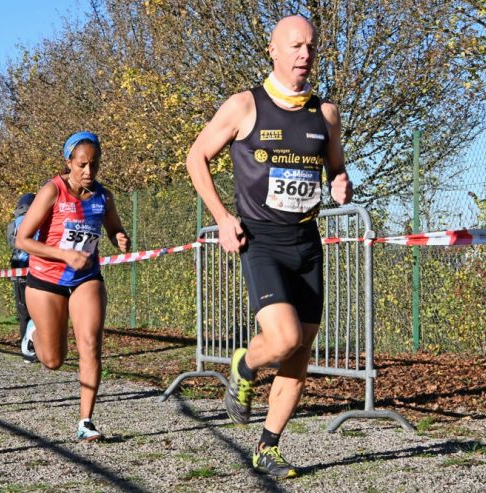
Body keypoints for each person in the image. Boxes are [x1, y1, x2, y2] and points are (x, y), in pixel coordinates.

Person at [186, 15, 353, 479]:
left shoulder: (326, 114)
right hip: (260, 240)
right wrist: (221, 218)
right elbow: (195, 156)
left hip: (306, 243)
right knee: (283, 339)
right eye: (296, 46)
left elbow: (337, 170)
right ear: (273, 50)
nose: (305, 55)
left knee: (299, 355)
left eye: (311, 47)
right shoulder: (244, 106)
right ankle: (244, 362)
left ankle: (268, 447)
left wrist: (341, 183)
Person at [15, 131, 130, 441]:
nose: (88, 172)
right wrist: (63, 253)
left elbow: (114, 227)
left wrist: (119, 237)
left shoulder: (103, 196)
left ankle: (86, 421)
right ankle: (34, 332)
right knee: (53, 361)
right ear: (68, 162)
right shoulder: (52, 191)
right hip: (46, 280)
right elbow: (22, 240)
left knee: (91, 344)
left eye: (94, 165)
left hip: (86, 278)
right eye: (81, 165)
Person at [6, 192, 38, 363]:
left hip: (18, 268)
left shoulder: (13, 223)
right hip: (37, 268)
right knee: (39, 311)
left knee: (23, 311)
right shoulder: (39, 219)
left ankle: (27, 351)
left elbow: (11, 243)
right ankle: (38, 347)